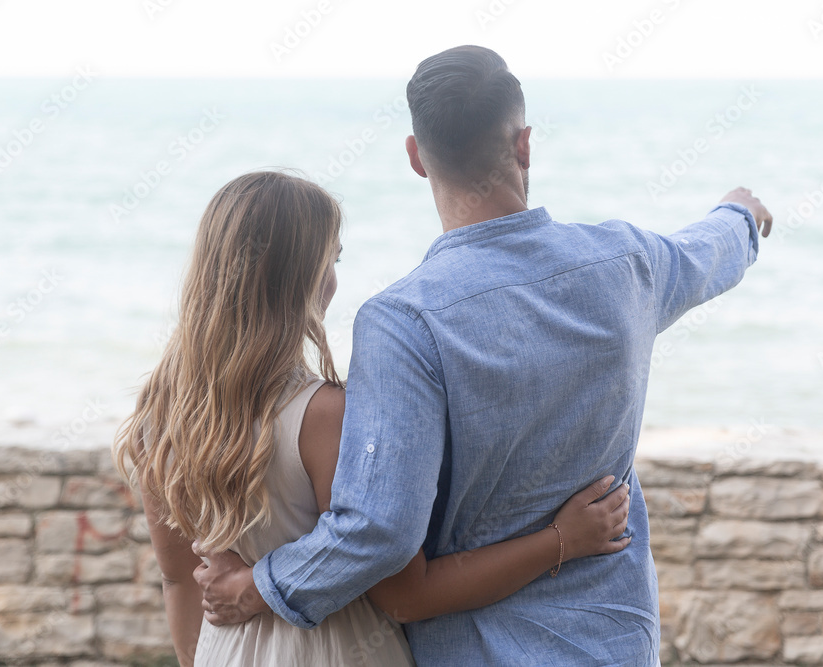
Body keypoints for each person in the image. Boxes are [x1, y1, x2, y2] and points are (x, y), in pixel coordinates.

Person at [196, 46, 773, 665]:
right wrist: (740, 213)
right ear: (524, 145)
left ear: (417, 158)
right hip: (613, 646)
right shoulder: (626, 264)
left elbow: (378, 531)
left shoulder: (402, 322)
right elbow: (708, 252)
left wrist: (260, 585)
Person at [113, 171, 635, 666]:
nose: (334, 279)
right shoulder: (323, 415)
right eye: (330, 259)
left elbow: (180, 581)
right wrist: (562, 539)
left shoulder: (158, 419)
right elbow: (406, 595)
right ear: (300, 276)